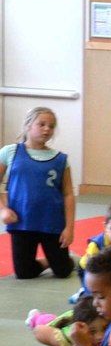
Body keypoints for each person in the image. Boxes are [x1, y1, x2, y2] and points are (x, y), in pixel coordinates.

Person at [0, 107, 75, 279]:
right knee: (24, 273)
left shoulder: (60, 159)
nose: (47, 129)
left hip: (52, 223)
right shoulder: (10, 152)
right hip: (22, 223)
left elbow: (68, 194)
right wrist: (3, 209)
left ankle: (61, 261)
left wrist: (69, 228)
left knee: (63, 271)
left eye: (51, 126)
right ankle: (47, 261)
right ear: (28, 125)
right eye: (41, 124)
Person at [26, 294, 108, 346]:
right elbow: (38, 330)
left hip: (73, 315)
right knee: (46, 320)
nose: (100, 336)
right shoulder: (70, 338)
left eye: (105, 328)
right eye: (92, 332)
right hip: (56, 323)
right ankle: (35, 317)